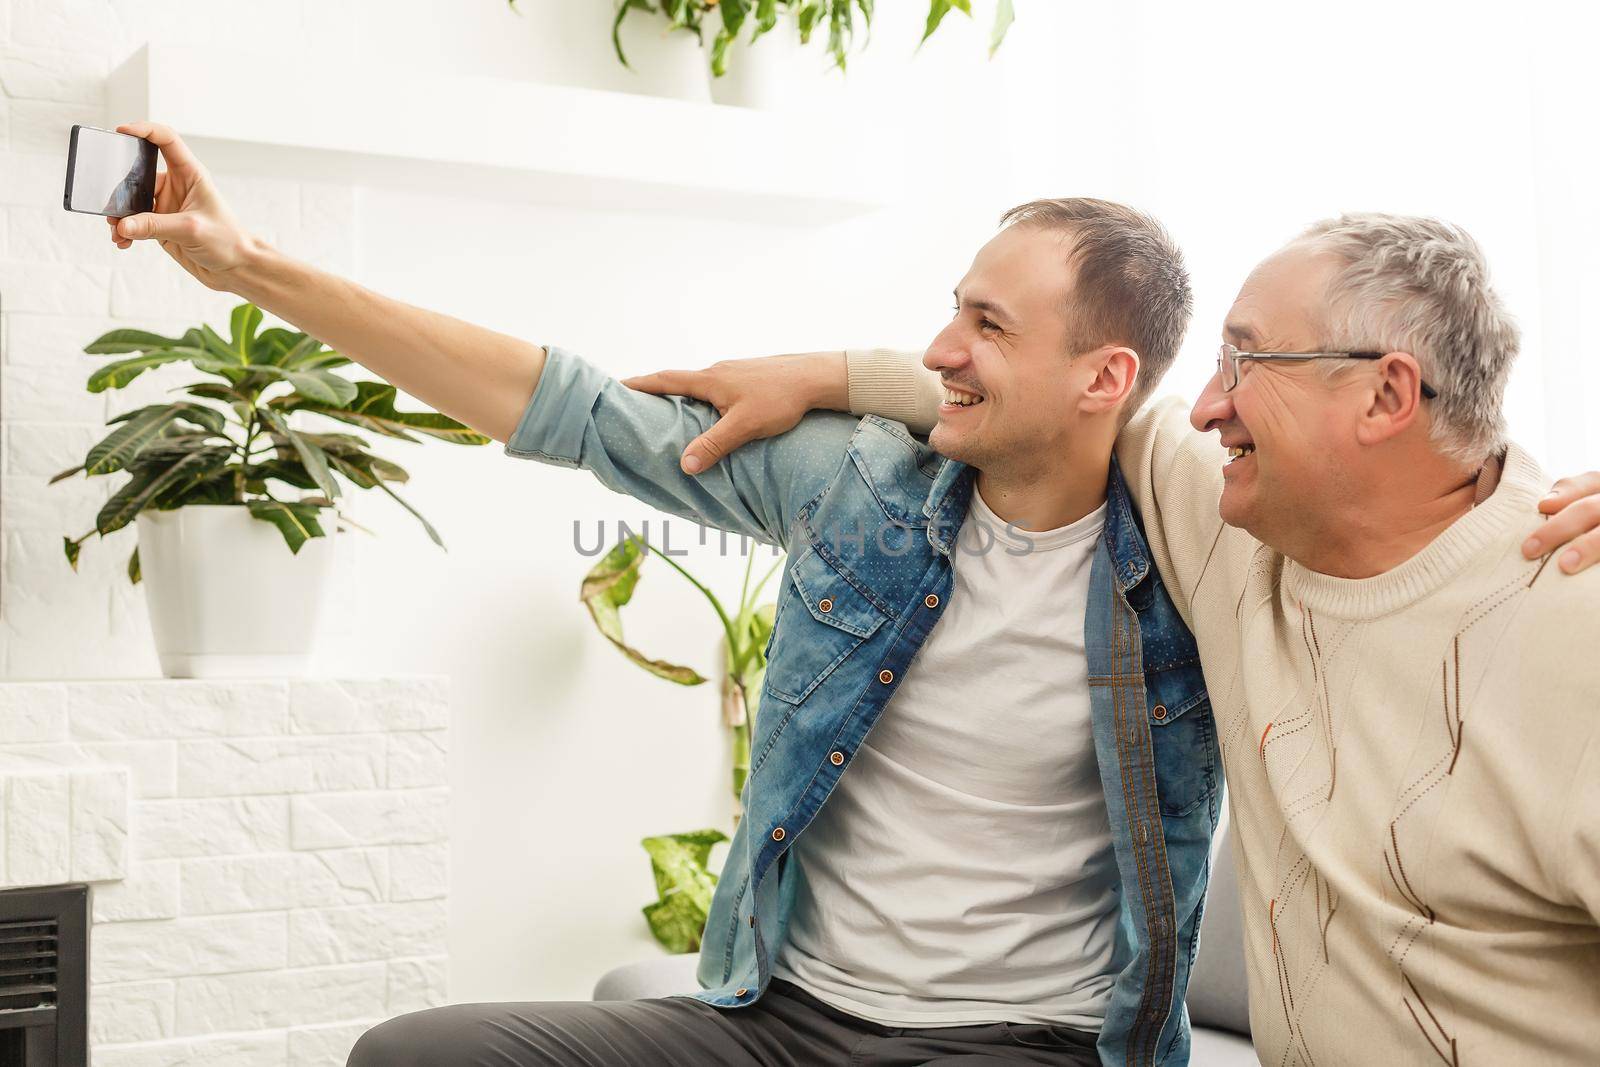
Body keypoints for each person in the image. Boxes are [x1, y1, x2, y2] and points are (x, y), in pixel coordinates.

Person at [104, 122, 1230, 1065]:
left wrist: (843, 368)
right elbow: (568, 407)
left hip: (1024, 1040)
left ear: (1106, 378)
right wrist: (247, 262)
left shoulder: (1199, 556)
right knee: (417, 1055)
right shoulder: (855, 484)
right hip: (785, 1020)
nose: (938, 346)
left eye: (989, 324)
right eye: (954, 309)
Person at [631, 213, 1600, 1062]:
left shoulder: (1570, 617)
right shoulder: (1229, 522)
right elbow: (1058, 399)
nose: (1211, 403)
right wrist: (825, 372)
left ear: (1387, 397)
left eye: (1248, 361)